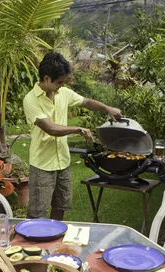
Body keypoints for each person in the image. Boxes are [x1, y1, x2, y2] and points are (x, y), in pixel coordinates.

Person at [23, 52, 122, 220]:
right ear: (46, 78)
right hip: (42, 165)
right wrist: (78, 129)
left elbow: (86, 102)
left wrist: (107, 108)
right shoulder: (31, 99)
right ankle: (32, 244)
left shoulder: (64, 94)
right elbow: (51, 129)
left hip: (63, 161)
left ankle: (54, 238)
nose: (62, 85)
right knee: (37, 213)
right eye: (60, 82)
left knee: (60, 206)